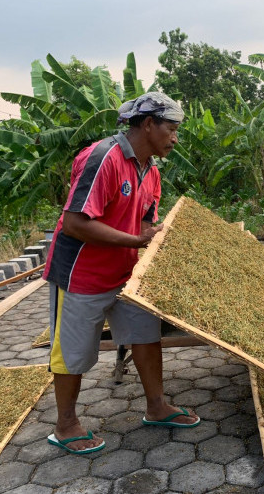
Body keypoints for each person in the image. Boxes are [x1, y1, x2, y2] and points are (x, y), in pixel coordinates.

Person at [43, 92, 200, 455]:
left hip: (126, 274)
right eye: (172, 129)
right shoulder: (104, 158)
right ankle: (65, 425)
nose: (175, 138)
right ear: (148, 124)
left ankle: (157, 406)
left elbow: (146, 222)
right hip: (81, 274)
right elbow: (74, 223)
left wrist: (155, 238)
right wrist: (135, 239)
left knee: (146, 336)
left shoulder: (151, 171)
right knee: (72, 354)